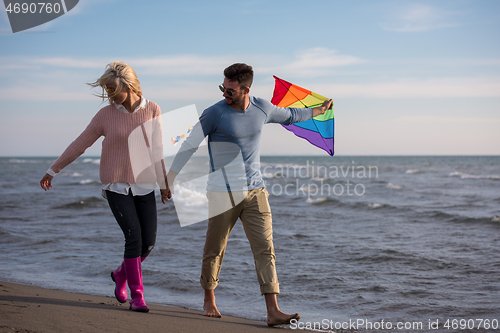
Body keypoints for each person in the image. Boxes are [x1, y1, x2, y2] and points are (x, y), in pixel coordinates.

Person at [165, 63, 332, 325]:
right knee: (215, 249)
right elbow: (189, 144)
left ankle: (273, 311)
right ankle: (209, 298)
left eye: (230, 90)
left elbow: (290, 115)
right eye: (223, 88)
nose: (224, 93)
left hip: (256, 191)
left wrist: (318, 111)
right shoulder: (214, 114)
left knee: (266, 249)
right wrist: (171, 177)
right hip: (222, 193)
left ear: (246, 89)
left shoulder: (261, 108)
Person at [40, 61, 171, 313]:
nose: (108, 94)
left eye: (112, 89)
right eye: (106, 90)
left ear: (129, 85)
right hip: (116, 185)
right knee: (133, 237)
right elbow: (80, 143)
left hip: (145, 185)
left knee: (148, 244)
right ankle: (137, 296)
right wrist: (53, 169)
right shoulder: (105, 115)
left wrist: (164, 183)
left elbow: (157, 150)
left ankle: (120, 275)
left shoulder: (153, 109)